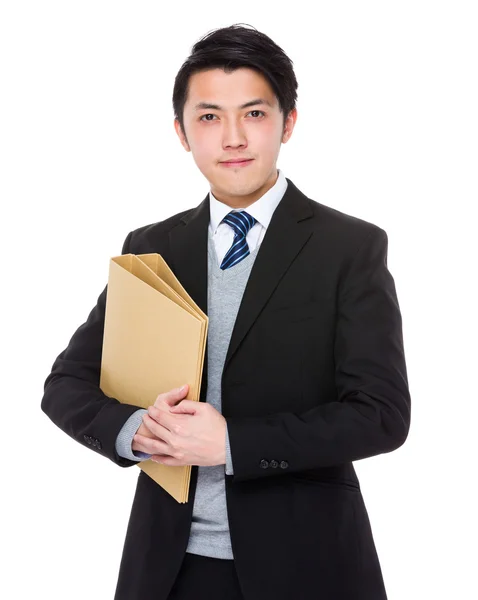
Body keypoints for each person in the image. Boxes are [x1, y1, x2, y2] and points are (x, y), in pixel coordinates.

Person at [41, 23, 411, 600]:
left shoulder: (350, 247)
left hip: (306, 563)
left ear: (288, 122)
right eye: (209, 116)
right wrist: (139, 432)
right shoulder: (151, 246)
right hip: (170, 566)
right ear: (182, 133)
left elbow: (382, 415)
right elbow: (65, 384)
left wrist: (232, 444)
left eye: (254, 114)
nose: (232, 137)